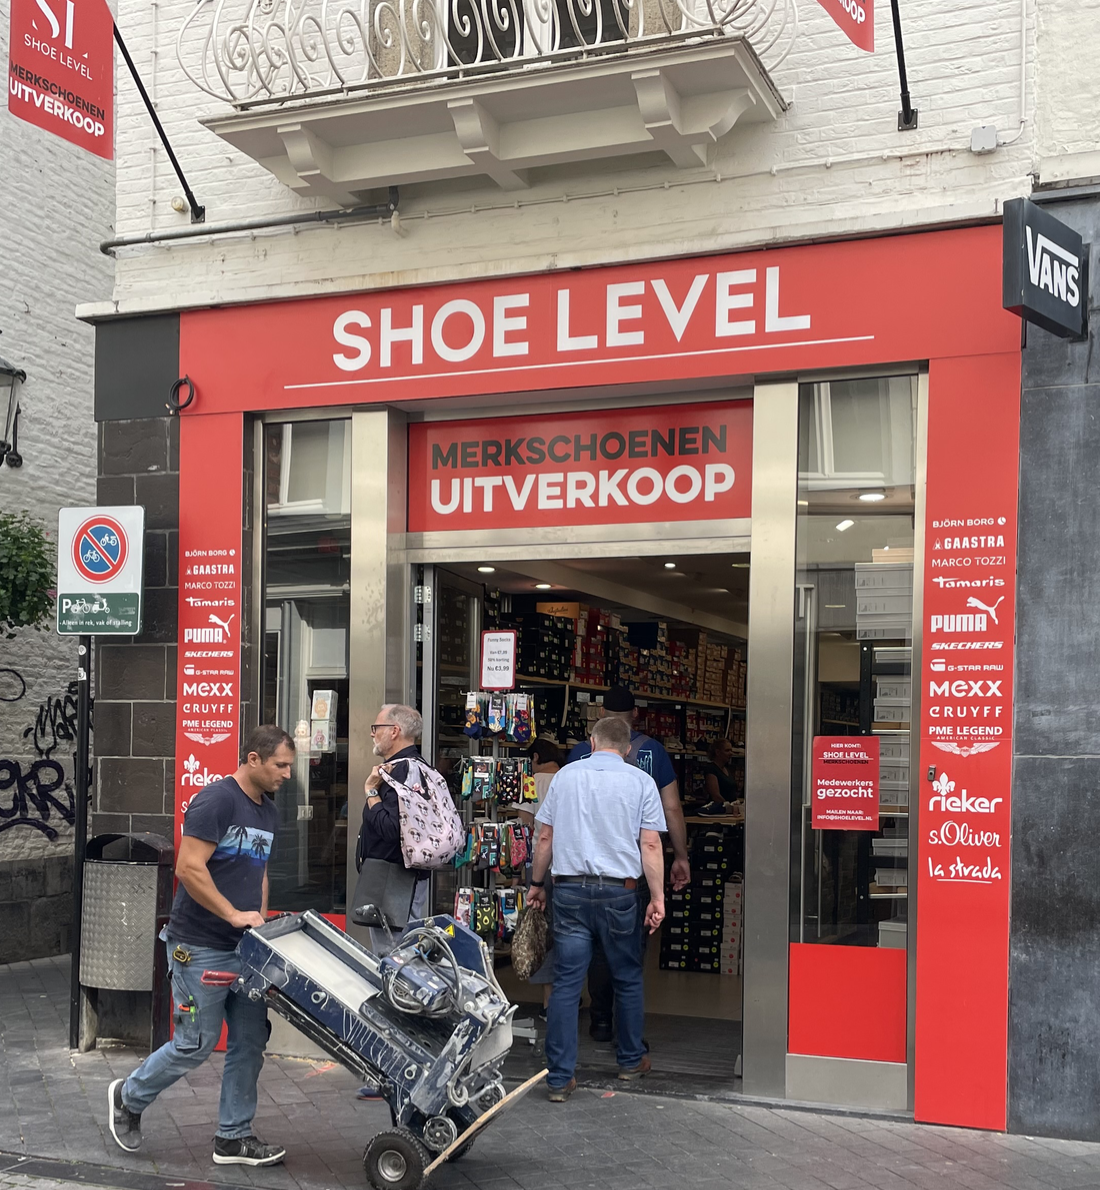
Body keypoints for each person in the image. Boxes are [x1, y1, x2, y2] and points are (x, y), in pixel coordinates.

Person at [108, 725, 294, 1166]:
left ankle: (232, 1138)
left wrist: (257, 926)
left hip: (245, 950)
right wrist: (232, 914)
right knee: (196, 1042)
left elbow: (258, 873)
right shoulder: (216, 800)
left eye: (290, 766)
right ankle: (128, 1097)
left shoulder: (268, 812)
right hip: (199, 947)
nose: (288, 774)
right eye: (280, 765)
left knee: (249, 1042)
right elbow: (189, 868)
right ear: (253, 759)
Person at [528, 716, 666, 1101]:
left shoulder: (565, 777)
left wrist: (536, 884)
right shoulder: (641, 781)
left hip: (569, 891)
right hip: (620, 893)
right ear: (627, 749)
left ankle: (559, 1078)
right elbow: (650, 844)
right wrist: (657, 897)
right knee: (627, 976)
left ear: (591, 742)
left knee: (567, 982)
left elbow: (545, 836)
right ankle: (630, 1061)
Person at [565, 685, 690, 1041]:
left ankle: (600, 1019)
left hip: (583, 869)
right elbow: (672, 808)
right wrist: (680, 856)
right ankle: (627, 1033)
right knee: (630, 949)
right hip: (633, 868)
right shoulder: (653, 751)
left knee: (595, 949)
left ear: (601, 714)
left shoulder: (579, 753)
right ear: (635, 714)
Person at [355, 703, 431, 955]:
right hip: (396, 878)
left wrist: (371, 791)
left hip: (393, 879)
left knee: (393, 957)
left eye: (376, 727)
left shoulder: (403, 771)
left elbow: (391, 829)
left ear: (394, 730)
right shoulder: (416, 767)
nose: (372, 733)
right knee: (400, 953)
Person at [524, 738, 564, 1017]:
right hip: (568, 865)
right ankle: (569, 995)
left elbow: (524, 827)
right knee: (568, 930)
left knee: (542, 931)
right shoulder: (569, 778)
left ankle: (550, 1001)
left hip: (538, 863)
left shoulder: (531, 781)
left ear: (536, 757)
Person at [698, 737, 740, 814]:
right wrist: (728, 807)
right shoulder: (711, 769)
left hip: (730, 812)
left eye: (731, 750)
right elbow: (715, 795)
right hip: (718, 811)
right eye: (727, 750)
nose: (731, 753)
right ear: (717, 752)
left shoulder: (727, 769)